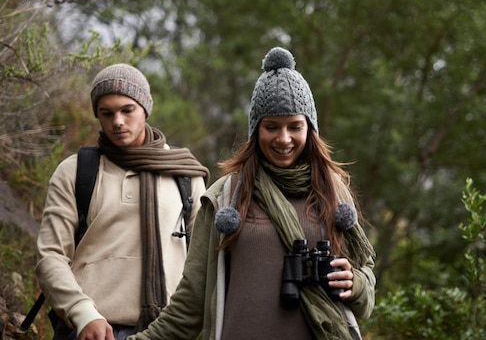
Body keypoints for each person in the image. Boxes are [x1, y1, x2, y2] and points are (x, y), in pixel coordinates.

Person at [127, 47, 376, 340]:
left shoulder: (333, 193)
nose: (283, 139)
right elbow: (191, 302)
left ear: (310, 129)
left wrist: (355, 283)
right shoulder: (225, 198)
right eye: (271, 127)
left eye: (295, 127)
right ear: (256, 131)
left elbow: (366, 282)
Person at [35, 63, 210, 340]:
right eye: (107, 113)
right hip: (90, 330)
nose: (117, 121)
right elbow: (50, 256)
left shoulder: (184, 173)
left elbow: (203, 261)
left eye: (127, 110)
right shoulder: (76, 172)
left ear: (145, 109)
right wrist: (82, 313)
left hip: (167, 331)